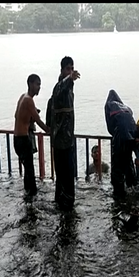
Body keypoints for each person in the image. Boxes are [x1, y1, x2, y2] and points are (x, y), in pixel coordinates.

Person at [46, 56, 80, 207]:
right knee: (64, 174)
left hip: (68, 140)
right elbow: (61, 88)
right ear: (61, 70)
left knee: (66, 175)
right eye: (68, 68)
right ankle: (65, 205)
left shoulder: (69, 91)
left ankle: (63, 202)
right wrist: (69, 79)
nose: (71, 71)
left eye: (72, 68)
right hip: (60, 142)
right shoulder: (59, 87)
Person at [13, 74, 50, 196]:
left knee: (27, 170)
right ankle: (32, 197)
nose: (39, 87)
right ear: (30, 84)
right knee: (30, 170)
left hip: (17, 139)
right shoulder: (29, 100)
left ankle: (28, 196)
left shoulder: (22, 97)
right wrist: (49, 131)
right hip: (23, 139)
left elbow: (17, 116)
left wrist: (28, 119)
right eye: (37, 84)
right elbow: (38, 120)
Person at [104, 89, 139, 198]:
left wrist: (115, 135)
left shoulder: (109, 105)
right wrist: (138, 155)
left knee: (117, 166)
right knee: (128, 160)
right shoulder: (126, 108)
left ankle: (119, 194)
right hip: (133, 133)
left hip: (121, 134)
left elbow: (110, 126)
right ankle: (133, 186)